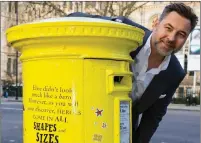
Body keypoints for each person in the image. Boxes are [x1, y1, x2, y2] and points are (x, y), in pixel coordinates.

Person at [67, 3, 198, 143]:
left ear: (186, 39)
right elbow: (74, 18)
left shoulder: (175, 72)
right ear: (156, 23)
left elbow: (152, 118)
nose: (171, 38)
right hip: (85, 118)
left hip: (124, 130)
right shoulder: (124, 31)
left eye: (181, 34)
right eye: (168, 28)